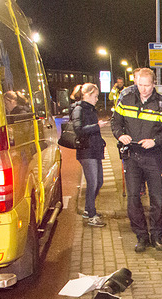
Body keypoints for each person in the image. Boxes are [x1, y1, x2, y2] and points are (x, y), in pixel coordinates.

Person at [111, 68, 162, 252]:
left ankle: (157, 237)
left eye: (147, 85)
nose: (143, 89)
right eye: (140, 85)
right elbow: (115, 122)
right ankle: (141, 236)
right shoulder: (125, 100)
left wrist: (155, 141)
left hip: (153, 156)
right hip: (132, 156)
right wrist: (120, 135)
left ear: (154, 83)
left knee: (157, 199)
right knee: (133, 199)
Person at [71, 83, 108, 227]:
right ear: (87, 94)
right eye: (95, 96)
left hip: (94, 149)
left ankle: (88, 210)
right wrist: (97, 126)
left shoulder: (89, 109)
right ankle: (92, 215)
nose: (97, 99)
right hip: (86, 150)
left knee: (99, 182)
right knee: (93, 183)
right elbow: (78, 129)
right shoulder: (79, 109)